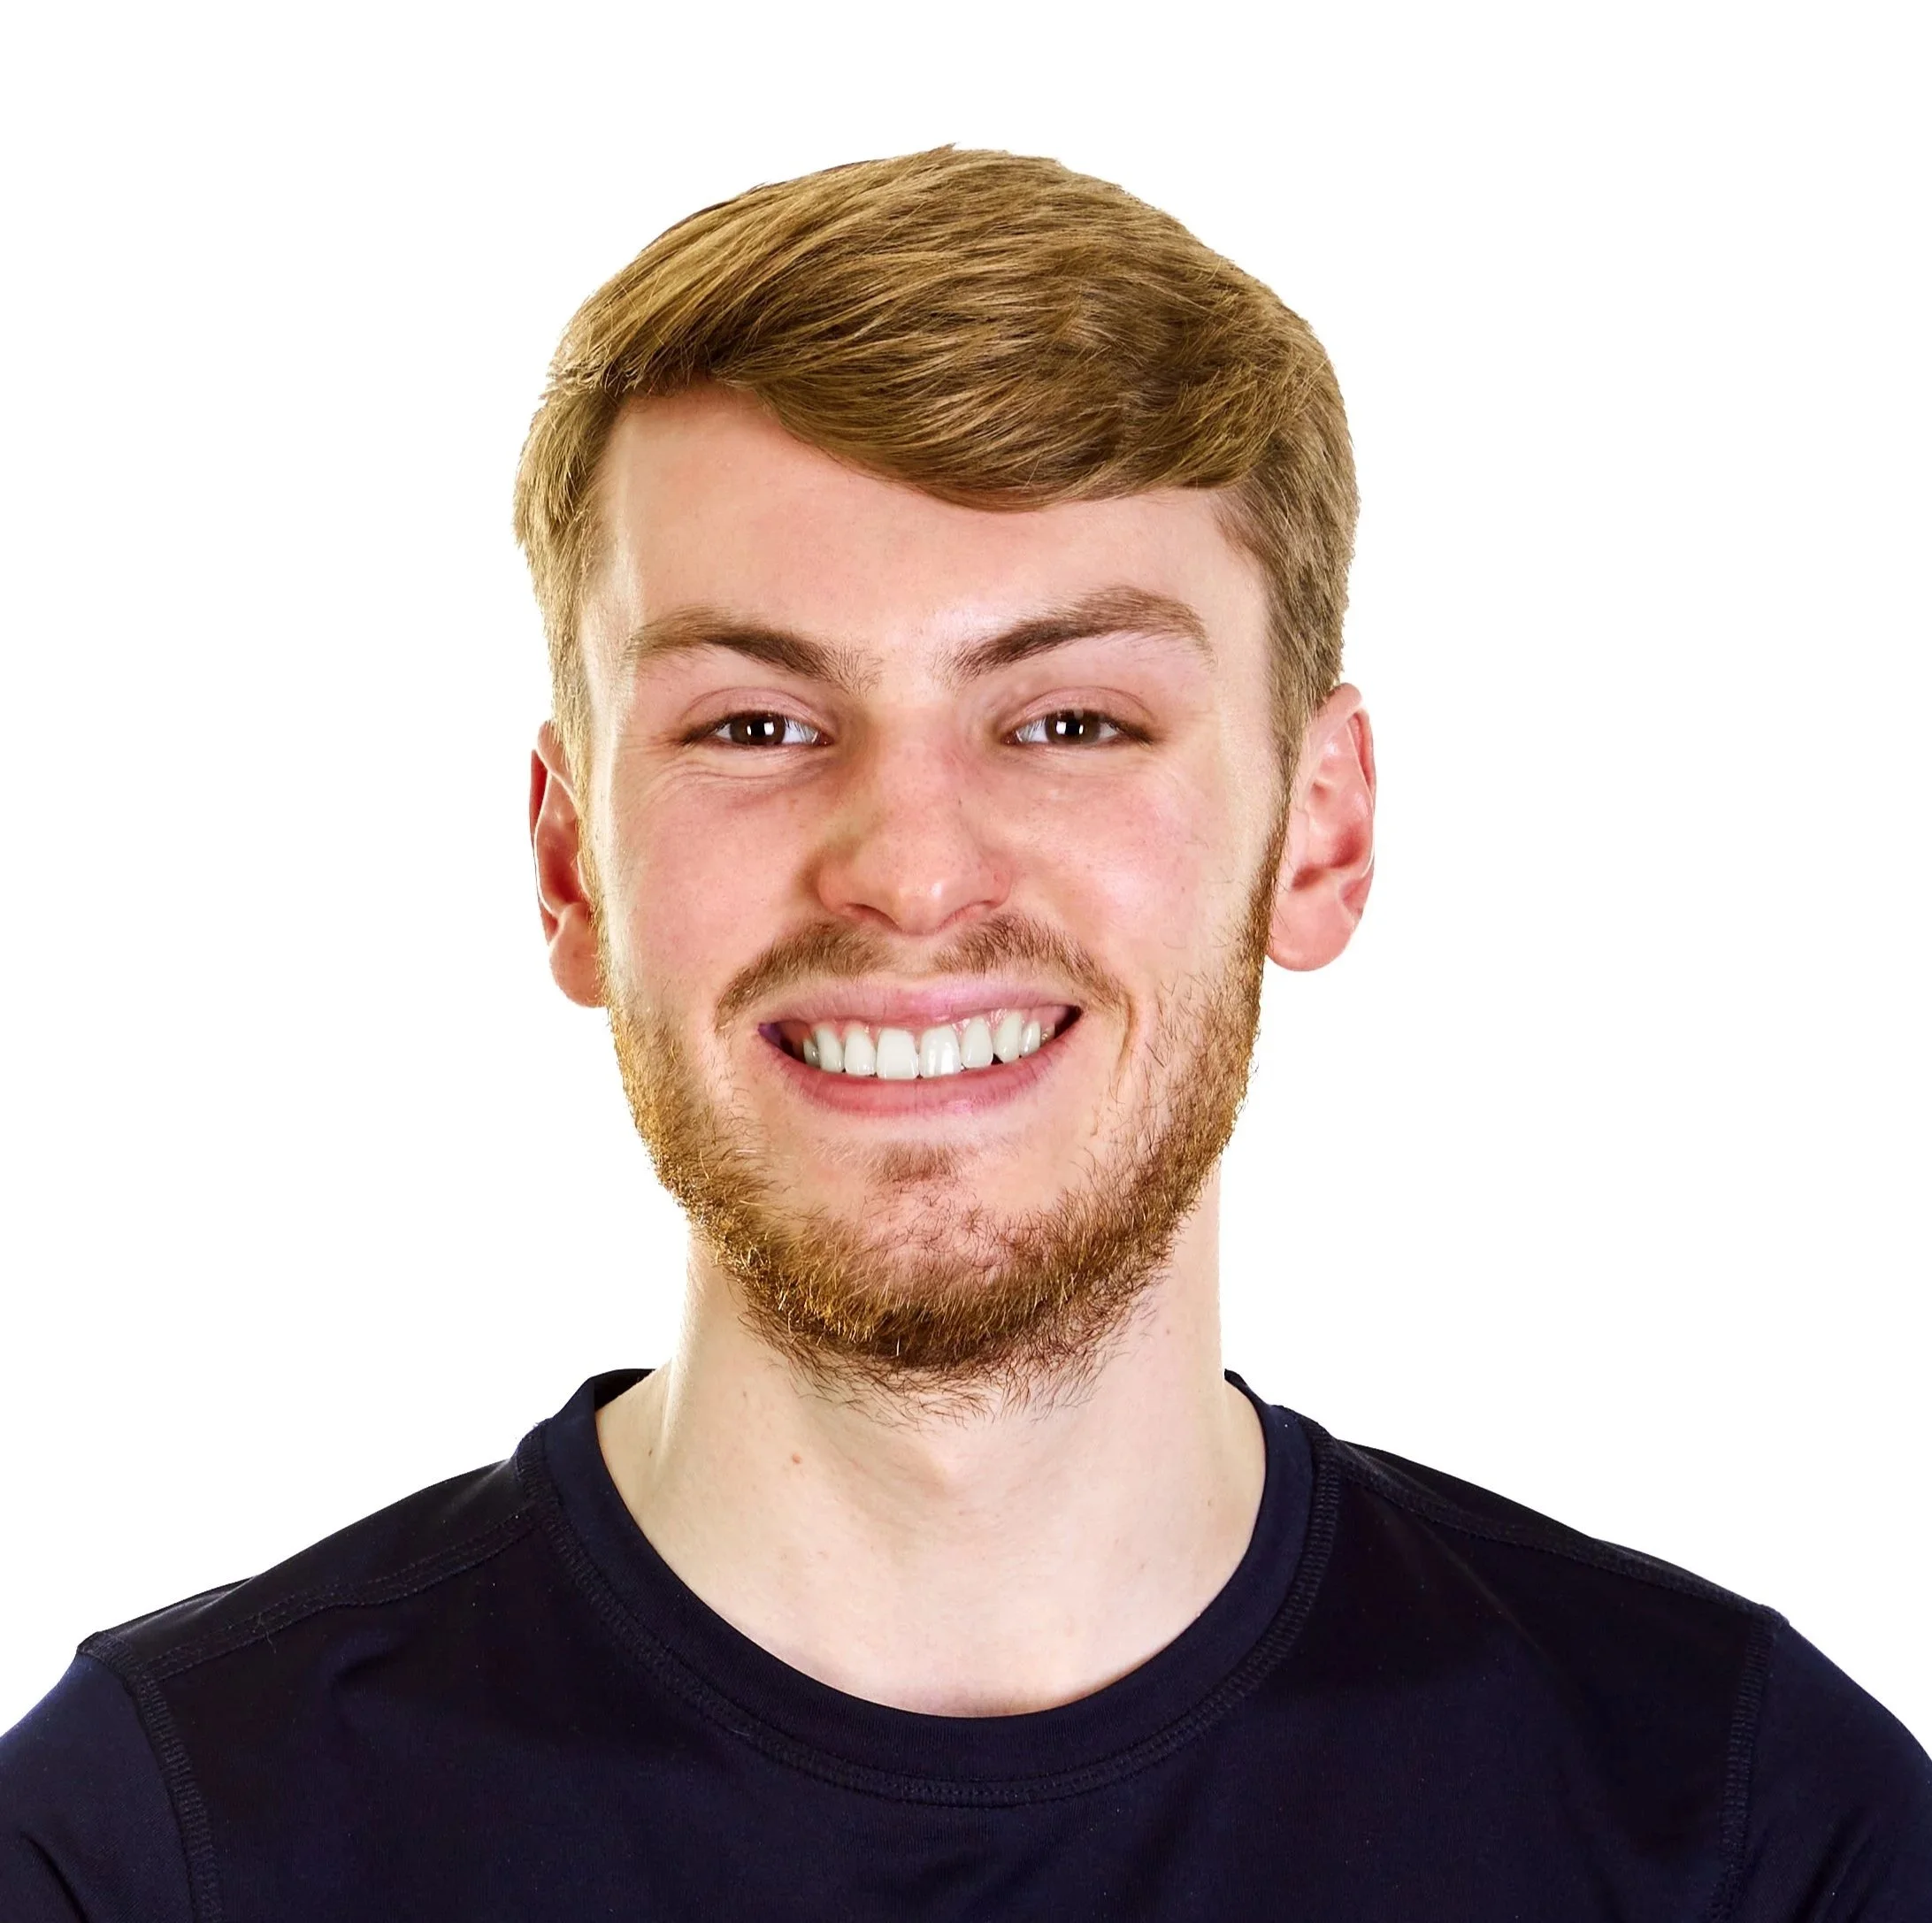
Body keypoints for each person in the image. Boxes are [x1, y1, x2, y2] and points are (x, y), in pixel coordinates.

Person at [3, 146, 1926, 1921]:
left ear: (1320, 834)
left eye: (1072, 721)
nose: (911, 875)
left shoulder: (1747, 1835)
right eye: (755, 725)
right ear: (574, 861)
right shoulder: (148, 1852)